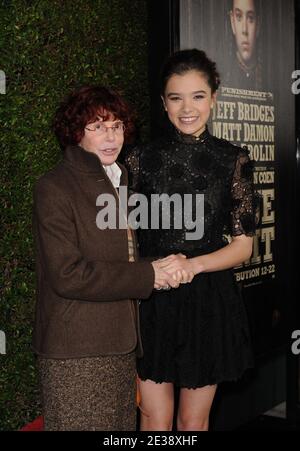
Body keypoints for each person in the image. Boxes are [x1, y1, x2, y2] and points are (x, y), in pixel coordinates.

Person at [32, 85, 183, 431]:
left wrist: (167, 264)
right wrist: (149, 275)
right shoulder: (54, 187)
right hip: (76, 352)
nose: (110, 136)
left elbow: (122, 256)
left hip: (119, 346)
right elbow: (68, 274)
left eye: (115, 126)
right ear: (75, 132)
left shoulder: (117, 180)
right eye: (97, 126)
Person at [125, 49, 257, 431]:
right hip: (152, 299)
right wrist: (144, 272)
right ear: (164, 103)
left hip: (207, 302)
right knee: (153, 417)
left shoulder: (233, 160)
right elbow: (123, 232)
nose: (187, 108)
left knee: (193, 421)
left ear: (214, 98)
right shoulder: (138, 159)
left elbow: (243, 246)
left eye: (197, 96)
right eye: (176, 97)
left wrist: (192, 264)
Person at [224, 0, 262, 90]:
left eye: (251, 18)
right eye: (239, 17)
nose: (244, 29)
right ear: (232, 22)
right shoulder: (223, 76)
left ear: (258, 25)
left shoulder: (269, 76)